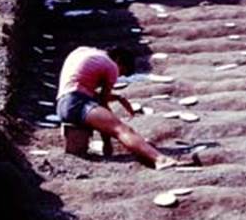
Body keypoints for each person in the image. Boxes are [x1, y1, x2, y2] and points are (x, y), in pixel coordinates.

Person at [56, 45, 191, 169]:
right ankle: (160, 159)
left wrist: (119, 98)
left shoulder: (85, 52)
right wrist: (107, 142)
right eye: (122, 72)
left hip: (64, 104)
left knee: (104, 128)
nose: (118, 76)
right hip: (78, 103)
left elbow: (82, 88)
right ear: (119, 60)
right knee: (122, 129)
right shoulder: (111, 66)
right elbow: (103, 103)